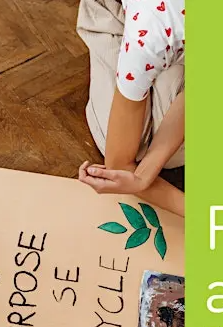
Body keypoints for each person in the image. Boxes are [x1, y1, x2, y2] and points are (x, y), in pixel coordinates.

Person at [76, 0, 185, 217]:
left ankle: (165, 63)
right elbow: (120, 166)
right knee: (128, 145)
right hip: (126, 16)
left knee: (173, 153)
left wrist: (144, 175)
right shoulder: (153, 29)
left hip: (168, 36)